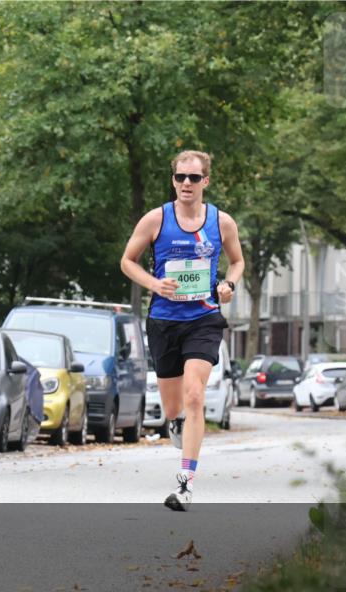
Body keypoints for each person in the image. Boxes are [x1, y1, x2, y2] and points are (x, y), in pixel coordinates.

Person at [119, 150, 244, 511]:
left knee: (194, 396)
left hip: (204, 319)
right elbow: (127, 261)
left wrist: (229, 285)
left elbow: (237, 262)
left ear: (206, 181)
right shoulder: (156, 219)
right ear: (173, 180)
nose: (186, 183)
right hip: (164, 321)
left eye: (193, 178)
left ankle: (186, 484)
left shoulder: (222, 222)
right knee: (174, 407)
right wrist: (154, 284)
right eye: (180, 177)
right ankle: (175, 423)